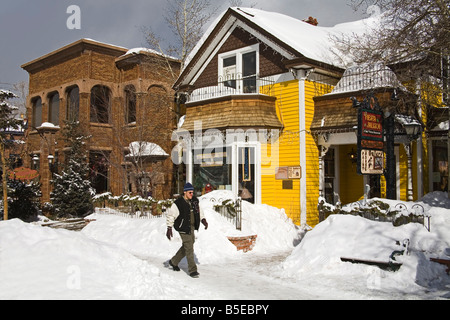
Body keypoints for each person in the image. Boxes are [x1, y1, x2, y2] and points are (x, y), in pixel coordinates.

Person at [166, 182, 208, 278]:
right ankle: (193, 270)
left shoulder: (195, 201)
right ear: (185, 192)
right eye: (190, 192)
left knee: (188, 245)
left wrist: (203, 220)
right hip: (183, 227)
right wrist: (169, 228)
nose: (192, 194)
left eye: (192, 192)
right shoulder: (178, 203)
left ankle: (174, 261)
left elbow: (199, 211)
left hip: (191, 227)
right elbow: (171, 215)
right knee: (189, 247)